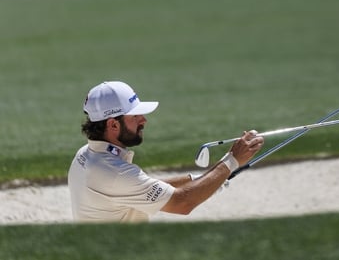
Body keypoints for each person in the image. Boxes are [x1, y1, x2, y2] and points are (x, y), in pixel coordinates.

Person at [68, 81, 264, 222]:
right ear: (112, 124)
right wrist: (231, 162)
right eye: (135, 116)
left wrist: (203, 178)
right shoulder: (115, 173)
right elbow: (182, 203)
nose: (143, 120)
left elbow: (144, 187)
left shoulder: (86, 154)